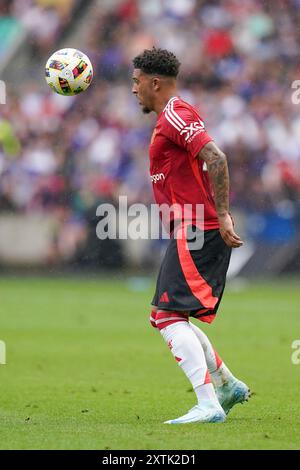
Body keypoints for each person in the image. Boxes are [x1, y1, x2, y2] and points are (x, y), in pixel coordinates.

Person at [131, 47, 250, 424]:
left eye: (136, 82)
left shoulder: (175, 116)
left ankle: (208, 404)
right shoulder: (171, 116)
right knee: (173, 314)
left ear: (154, 83)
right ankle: (227, 386)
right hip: (194, 227)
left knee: (165, 316)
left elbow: (216, 157)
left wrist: (224, 214)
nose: (133, 90)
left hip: (198, 227)